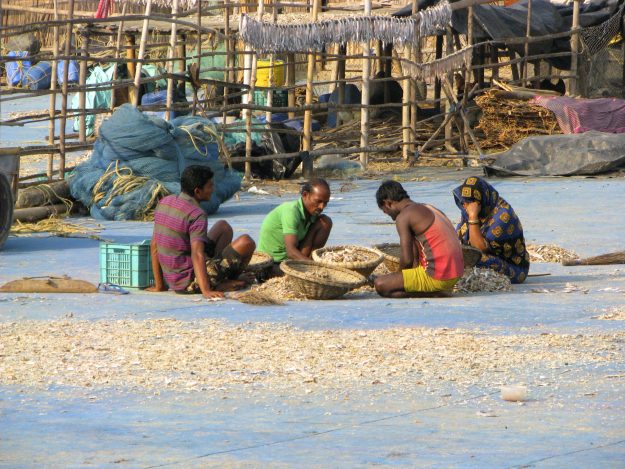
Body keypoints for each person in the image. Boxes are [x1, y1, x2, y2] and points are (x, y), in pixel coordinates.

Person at [147, 165, 256, 299]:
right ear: (197, 191)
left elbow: (154, 245)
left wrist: (160, 285)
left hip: (174, 278)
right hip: (189, 283)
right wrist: (206, 291)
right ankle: (220, 283)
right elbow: (197, 254)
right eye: (210, 186)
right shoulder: (197, 215)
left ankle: (221, 278)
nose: (213, 189)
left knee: (224, 227)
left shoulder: (164, 202)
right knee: (246, 242)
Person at [374, 180, 464, 297]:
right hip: (455, 275)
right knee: (396, 287)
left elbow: (407, 260)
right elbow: (415, 253)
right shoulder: (429, 208)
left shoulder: (404, 217)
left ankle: (434, 293)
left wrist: (397, 278)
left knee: (380, 284)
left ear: (388, 203)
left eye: (385, 211)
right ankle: (434, 290)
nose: (390, 216)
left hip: (438, 276)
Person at [453, 176, 530, 283]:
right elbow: (459, 239)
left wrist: (473, 217)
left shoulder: (503, 215)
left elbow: (479, 248)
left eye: (468, 202)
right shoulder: (471, 208)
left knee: (475, 260)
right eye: (463, 202)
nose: (465, 206)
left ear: (479, 202)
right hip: (484, 256)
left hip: (513, 268)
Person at [257, 178, 333, 269]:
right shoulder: (291, 211)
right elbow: (291, 252)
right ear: (305, 195)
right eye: (318, 201)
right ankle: (309, 265)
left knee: (325, 222)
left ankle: (311, 260)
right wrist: (317, 268)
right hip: (273, 262)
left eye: (325, 203)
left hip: (293, 259)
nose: (322, 207)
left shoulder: (312, 213)